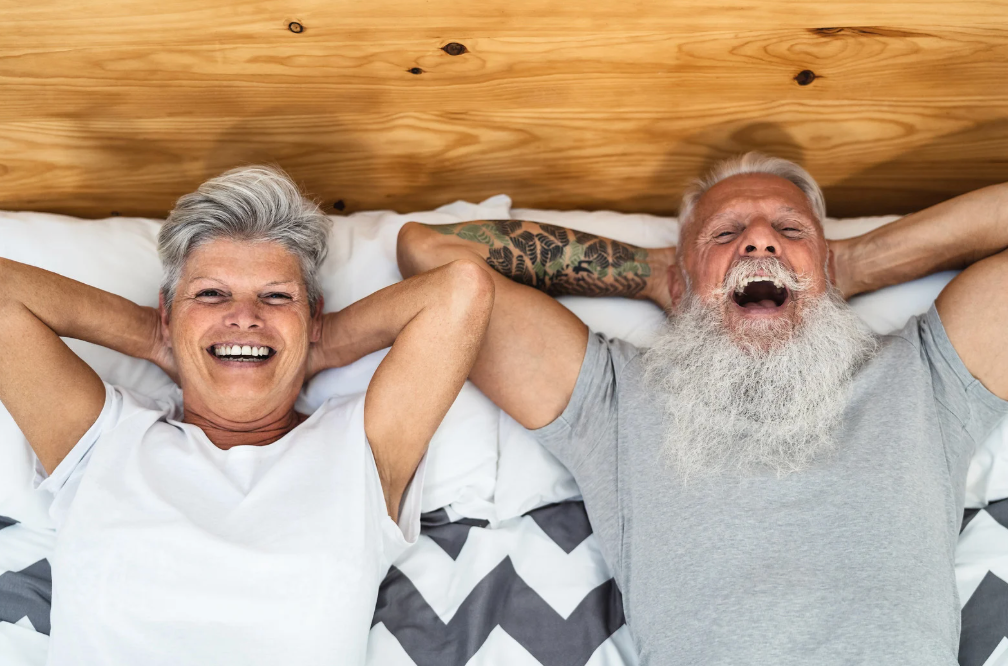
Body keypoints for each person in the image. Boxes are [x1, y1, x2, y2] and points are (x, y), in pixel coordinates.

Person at [396, 152, 1008, 665]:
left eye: (791, 230)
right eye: (725, 234)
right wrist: (657, 274)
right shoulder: (615, 399)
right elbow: (431, 254)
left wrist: (852, 261)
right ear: (679, 282)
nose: (760, 241)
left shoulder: (927, 375)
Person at [0, 166, 495, 666]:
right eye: (210, 294)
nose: (244, 316)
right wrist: (154, 335)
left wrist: (318, 344)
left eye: (276, 296)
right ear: (167, 311)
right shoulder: (105, 438)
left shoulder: (361, 450)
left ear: (313, 314)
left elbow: (461, 289)